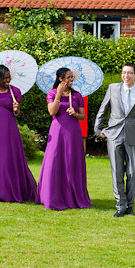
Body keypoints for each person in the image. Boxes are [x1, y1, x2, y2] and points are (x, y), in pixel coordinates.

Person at [94, 62, 135, 217]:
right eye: (123, 72)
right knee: (117, 172)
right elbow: (103, 109)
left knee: (133, 172)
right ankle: (121, 205)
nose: (125, 75)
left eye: (129, 73)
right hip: (114, 135)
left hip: (133, 136)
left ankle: (130, 206)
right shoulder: (113, 88)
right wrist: (98, 129)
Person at [0, 65, 37, 203]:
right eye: (5, 78)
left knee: (9, 158)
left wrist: (16, 109)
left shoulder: (15, 91)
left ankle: (11, 190)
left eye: (9, 77)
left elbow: (17, 114)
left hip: (10, 130)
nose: (8, 80)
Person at [35, 67, 92, 210]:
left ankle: (73, 196)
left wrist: (75, 114)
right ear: (60, 79)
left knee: (72, 161)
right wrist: (59, 94)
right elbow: (52, 112)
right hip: (57, 131)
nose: (71, 79)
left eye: (72, 77)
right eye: (68, 77)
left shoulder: (77, 96)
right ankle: (52, 195)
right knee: (54, 161)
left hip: (73, 132)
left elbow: (83, 116)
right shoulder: (52, 93)